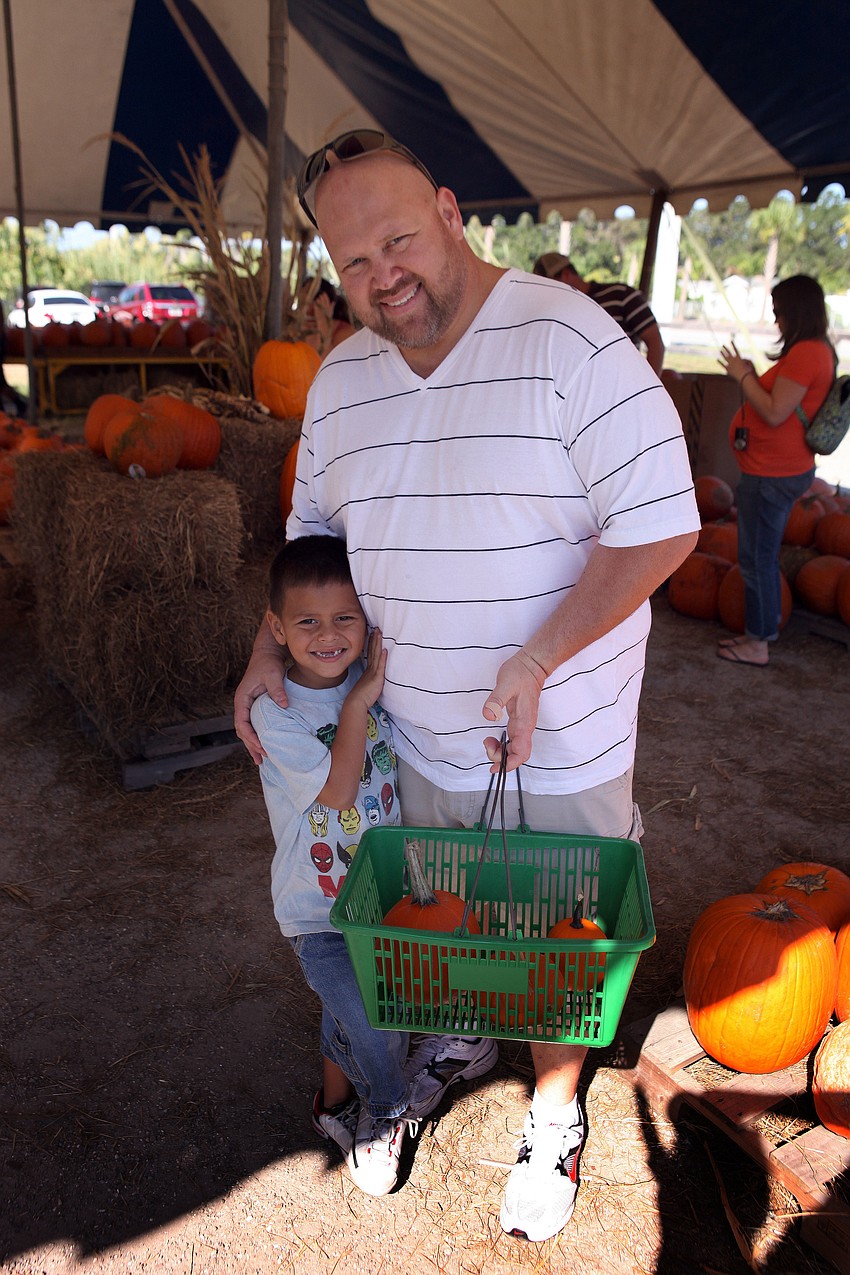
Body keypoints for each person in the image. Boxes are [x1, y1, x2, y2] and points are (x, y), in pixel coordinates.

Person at [235, 129, 700, 1242]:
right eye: (351, 262)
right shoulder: (342, 380)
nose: (379, 275)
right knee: (440, 921)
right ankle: (458, 1040)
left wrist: (539, 655)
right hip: (412, 733)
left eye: (396, 238)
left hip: (560, 735)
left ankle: (552, 1113)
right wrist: (265, 647)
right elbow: (313, 539)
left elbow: (660, 528)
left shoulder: (568, 339)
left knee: (554, 946)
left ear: (449, 211)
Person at [717, 275, 834, 668]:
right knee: (758, 556)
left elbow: (774, 411)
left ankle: (759, 641)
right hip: (777, 470)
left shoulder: (807, 354)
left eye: (779, 311)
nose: (776, 320)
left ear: (795, 310)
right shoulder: (813, 351)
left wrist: (742, 376)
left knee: (756, 559)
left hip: (773, 474)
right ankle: (758, 632)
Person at [532, 252, 666, 376]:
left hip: (623, 389)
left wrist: (646, 391)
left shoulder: (621, 294)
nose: (548, 291)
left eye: (549, 283)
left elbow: (655, 343)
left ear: (566, 274)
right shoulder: (560, 309)